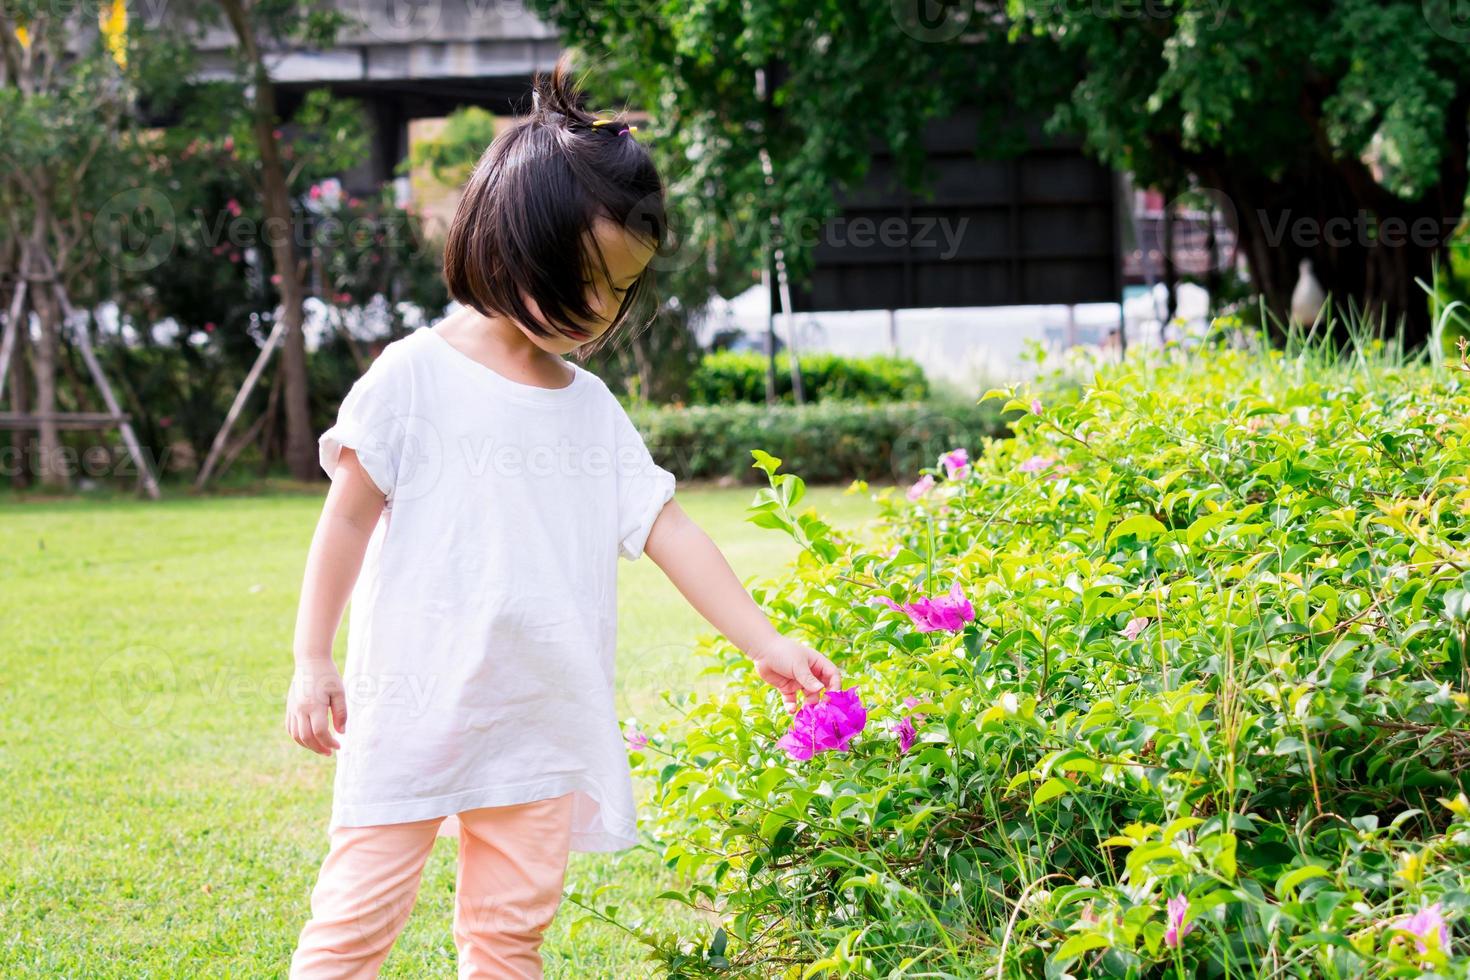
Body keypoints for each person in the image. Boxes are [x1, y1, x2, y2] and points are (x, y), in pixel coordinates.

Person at [284, 56, 842, 979]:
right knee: (347, 938)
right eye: (583, 280)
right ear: (509, 243)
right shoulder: (412, 379)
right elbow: (344, 523)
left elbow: (672, 532)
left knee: (507, 944)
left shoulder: (589, 409)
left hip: (535, 725)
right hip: (409, 716)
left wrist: (766, 640)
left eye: (620, 290)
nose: (599, 312)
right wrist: (312, 657)